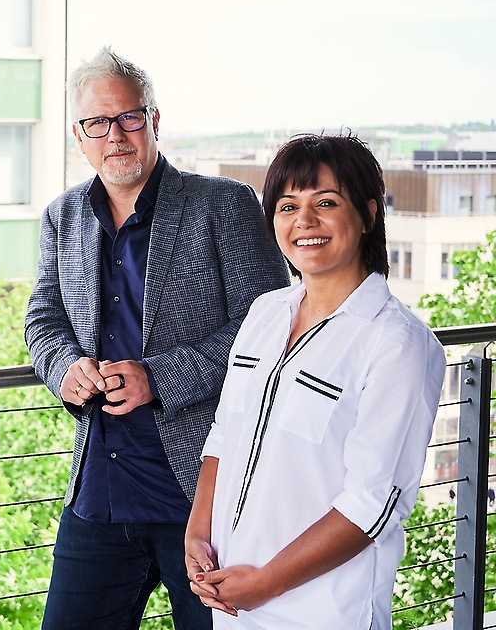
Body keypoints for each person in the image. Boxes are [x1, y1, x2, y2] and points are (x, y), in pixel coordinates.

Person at [26, 47, 290, 630]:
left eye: (129, 117)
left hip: (203, 499)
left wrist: (160, 378)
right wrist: (64, 367)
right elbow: (42, 321)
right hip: (99, 490)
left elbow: (272, 329)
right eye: (98, 122)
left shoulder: (222, 204)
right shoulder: (62, 216)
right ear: (79, 134)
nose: (115, 134)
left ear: (153, 120)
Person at [184, 134, 446, 629]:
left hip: (322, 612)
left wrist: (265, 585)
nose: (304, 221)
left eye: (326, 203)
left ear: (368, 214)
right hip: (234, 601)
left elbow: (371, 504)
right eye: (288, 206)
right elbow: (224, 435)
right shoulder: (265, 312)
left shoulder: (397, 342)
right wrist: (197, 534)